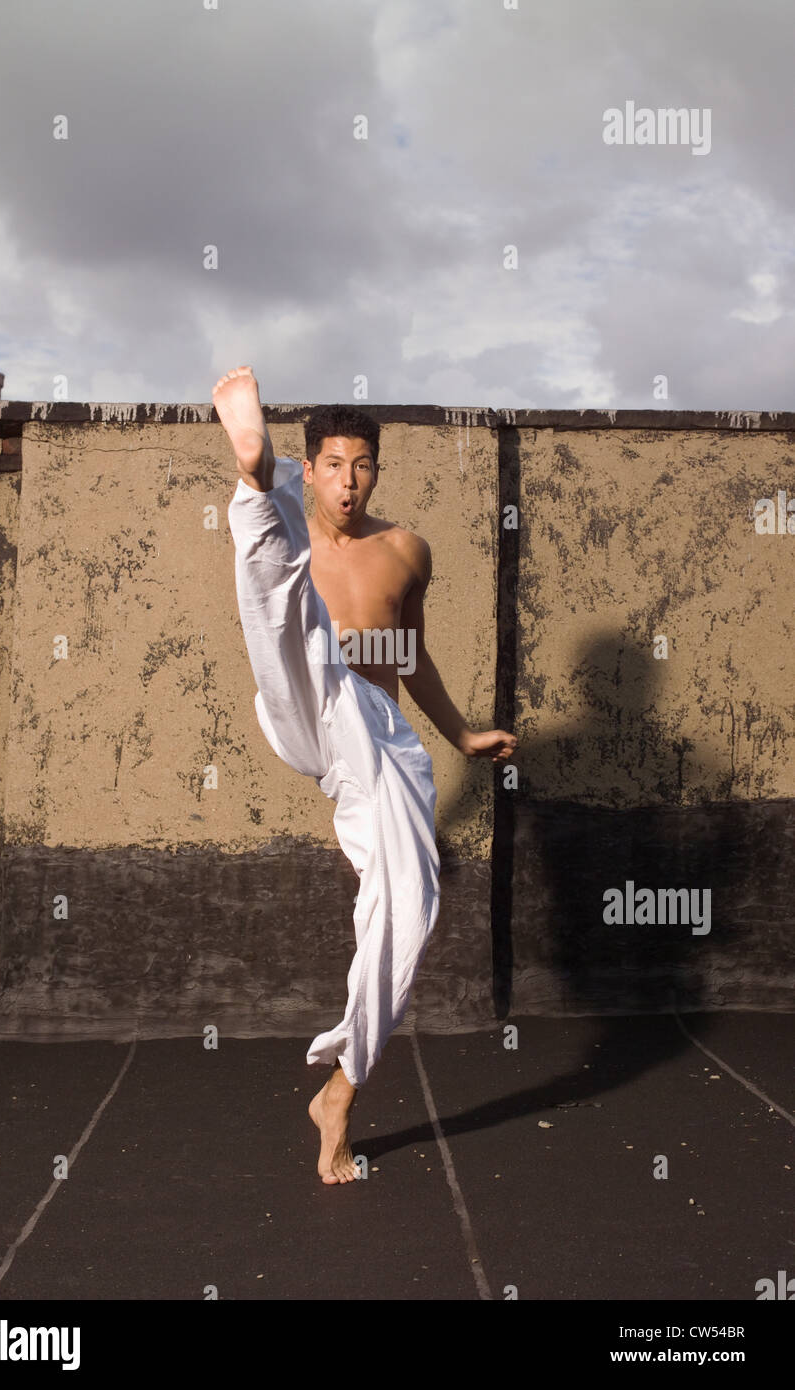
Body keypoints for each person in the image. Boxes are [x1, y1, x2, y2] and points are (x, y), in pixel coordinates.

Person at [216, 366, 518, 1185]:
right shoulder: (300, 530)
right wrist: (270, 491)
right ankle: (252, 476)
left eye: (363, 466)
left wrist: (458, 733)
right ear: (309, 469)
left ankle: (340, 1092)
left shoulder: (405, 551)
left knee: (410, 904)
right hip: (302, 701)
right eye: (332, 466)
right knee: (285, 608)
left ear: (375, 471)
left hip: (376, 742)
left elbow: (408, 654)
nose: (349, 483)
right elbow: (284, 622)